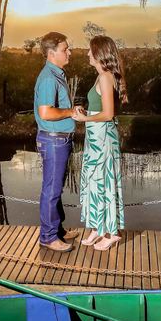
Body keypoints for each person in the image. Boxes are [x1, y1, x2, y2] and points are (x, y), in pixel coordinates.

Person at [72, 35, 126, 251]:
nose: (87, 53)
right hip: (96, 137)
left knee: (103, 182)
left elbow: (108, 114)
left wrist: (84, 119)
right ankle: (97, 227)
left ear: (99, 53)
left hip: (102, 138)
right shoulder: (101, 76)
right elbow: (100, 109)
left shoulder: (105, 77)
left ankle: (112, 232)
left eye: (90, 50)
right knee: (94, 181)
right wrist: (86, 112)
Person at [33, 31, 77, 251]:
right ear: (51, 53)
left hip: (58, 140)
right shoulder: (49, 78)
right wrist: (70, 112)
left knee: (55, 188)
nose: (69, 53)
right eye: (65, 49)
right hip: (54, 141)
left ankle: (57, 230)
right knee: (51, 190)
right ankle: (48, 237)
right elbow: (46, 112)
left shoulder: (56, 74)